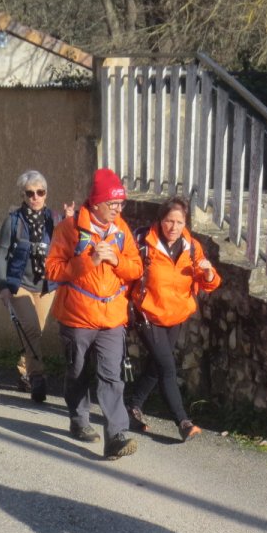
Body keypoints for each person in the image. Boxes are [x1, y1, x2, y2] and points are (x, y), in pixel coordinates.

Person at [46, 168, 143, 459]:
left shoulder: (121, 230)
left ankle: (116, 437)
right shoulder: (69, 228)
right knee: (77, 372)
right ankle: (79, 420)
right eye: (112, 204)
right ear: (97, 202)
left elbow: (136, 269)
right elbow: (52, 270)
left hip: (111, 318)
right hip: (77, 317)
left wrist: (117, 261)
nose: (118, 209)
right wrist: (90, 261)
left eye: (121, 204)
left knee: (112, 377)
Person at [125, 197, 221, 441]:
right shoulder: (144, 242)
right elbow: (128, 273)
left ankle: (132, 407)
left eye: (179, 222)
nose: (174, 227)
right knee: (167, 367)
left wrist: (208, 273)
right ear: (160, 220)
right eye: (169, 221)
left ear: (185, 223)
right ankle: (183, 421)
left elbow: (208, 282)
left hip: (176, 315)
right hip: (148, 315)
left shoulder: (192, 247)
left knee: (156, 366)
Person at [0, 171, 75, 403]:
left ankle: (24, 370)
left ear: (46, 194)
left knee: (35, 333)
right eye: (30, 193)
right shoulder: (13, 221)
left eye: (40, 192)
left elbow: (72, 247)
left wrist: (70, 222)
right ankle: (37, 378)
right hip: (19, 284)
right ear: (23, 195)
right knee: (30, 330)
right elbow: (1, 254)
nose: (35, 197)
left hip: (46, 285)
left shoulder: (56, 219)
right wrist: (3, 286)